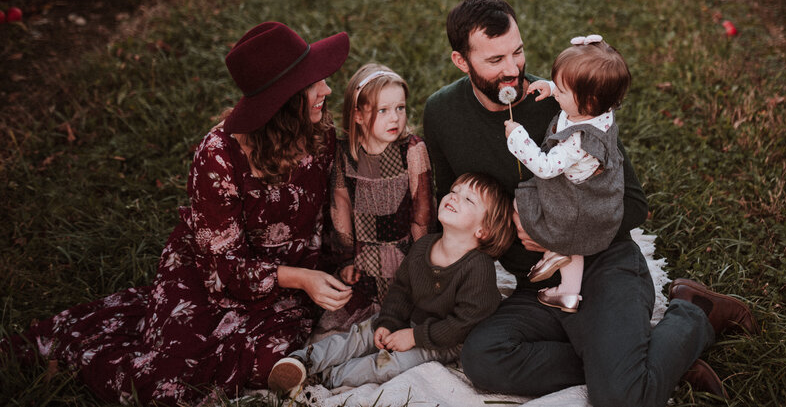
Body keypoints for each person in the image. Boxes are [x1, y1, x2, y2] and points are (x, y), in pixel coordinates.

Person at [422, 0, 759, 405]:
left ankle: (694, 312)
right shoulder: (441, 112)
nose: (513, 70)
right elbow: (447, 203)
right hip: (539, 284)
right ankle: (644, 360)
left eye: (518, 52)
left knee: (618, 400)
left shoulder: (570, 98)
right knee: (483, 359)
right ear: (462, 61)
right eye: (495, 61)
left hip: (603, 263)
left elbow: (633, 203)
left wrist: (560, 237)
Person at [4, 22, 355, 406]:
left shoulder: (318, 133)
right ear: (282, 99)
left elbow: (334, 207)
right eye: (313, 83)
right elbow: (222, 262)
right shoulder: (218, 155)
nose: (327, 89)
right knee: (168, 380)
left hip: (290, 278)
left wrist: (335, 263)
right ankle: (76, 348)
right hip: (214, 276)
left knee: (264, 360)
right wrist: (301, 278)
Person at [267, 172, 515, 395]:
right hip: (412, 321)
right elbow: (402, 292)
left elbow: (464, 323)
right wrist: (389, 322)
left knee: (389, 365)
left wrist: (415, 337)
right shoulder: (424, 247)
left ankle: (323, 378)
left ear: (484, 230)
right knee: (361, 334)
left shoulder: (478, 267)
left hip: (445, 339)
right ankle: (302, 361)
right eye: (454, 191)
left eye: (469, 200)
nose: (454, 197)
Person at [503, 34, 631, 313]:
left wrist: (518, 138)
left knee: (522, 202)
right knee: (578, 246)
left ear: (587, 100)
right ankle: (569, 294)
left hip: (572, 203)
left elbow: (545, 167)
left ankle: (553, 250)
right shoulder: (599, 109)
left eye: (561, 90)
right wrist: (551, 88)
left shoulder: (577, 141)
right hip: (597, 198)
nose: (556, 93)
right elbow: (578, 90)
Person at [321, 64, 435, 330]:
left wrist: (422, 262)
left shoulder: (412, 150)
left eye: (400, 108)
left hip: (404, 257)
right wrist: (347, 259)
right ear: (358, 116)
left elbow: (423, 211)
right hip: (364, 258)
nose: (394, 118)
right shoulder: (345, 153)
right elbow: (341, 205)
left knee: (409, 316)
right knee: (344, 323)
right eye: (383, 111)